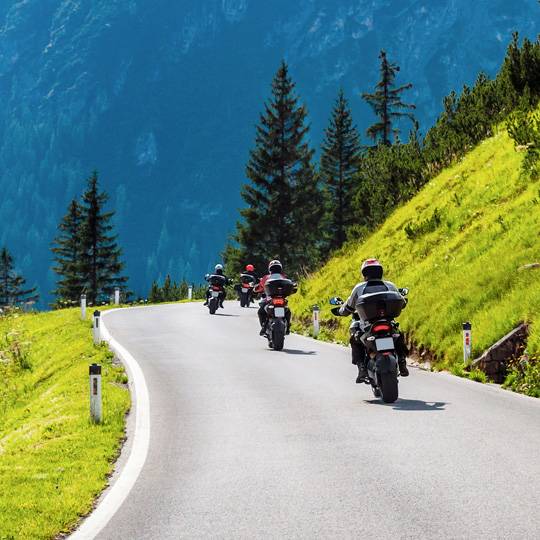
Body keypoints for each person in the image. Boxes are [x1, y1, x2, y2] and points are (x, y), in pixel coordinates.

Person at [339, 258, 409, 382]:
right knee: (398, 335)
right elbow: (402, 302)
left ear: (364, 274)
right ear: (380, 272)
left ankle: (361, 368)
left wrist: (341, 311)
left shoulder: (359, 288)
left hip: (367, 326)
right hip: (388, 323)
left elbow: (348, 307)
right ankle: (402, 361)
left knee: (355, 339)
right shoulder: (390, 285)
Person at [254, 260, 292, 335]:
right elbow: (290, 286)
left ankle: (263, 328)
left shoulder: (266, 277)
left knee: (261, 312)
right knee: (288, 311)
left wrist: (255, 289)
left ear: (270, 269)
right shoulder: (284, 277)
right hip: (282, 299)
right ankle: (288, 328)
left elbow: (260, 287)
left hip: (270, 299)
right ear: (280, 268)